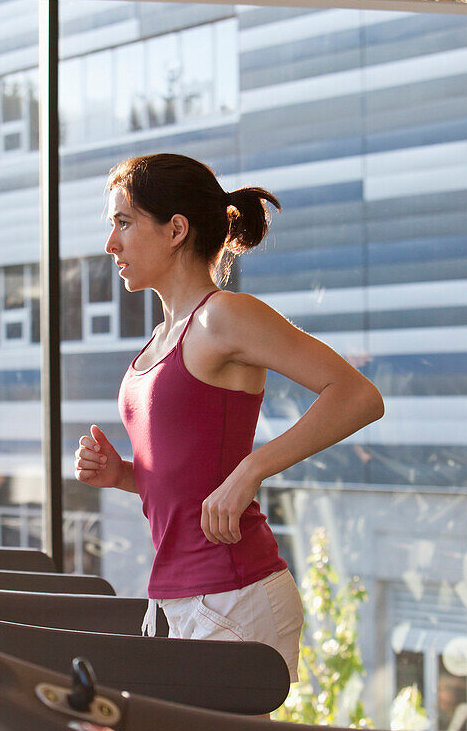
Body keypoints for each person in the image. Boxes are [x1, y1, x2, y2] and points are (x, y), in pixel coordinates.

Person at [74, 153, 384, 683]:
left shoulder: (224, 316)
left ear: (175, 229)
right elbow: (187, 472)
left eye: (123, 223)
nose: (111, 244)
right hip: (178, 600)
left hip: (233, 595)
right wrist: (121, 475)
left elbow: (357, 395)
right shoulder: (161, 337)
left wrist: (251, 470)